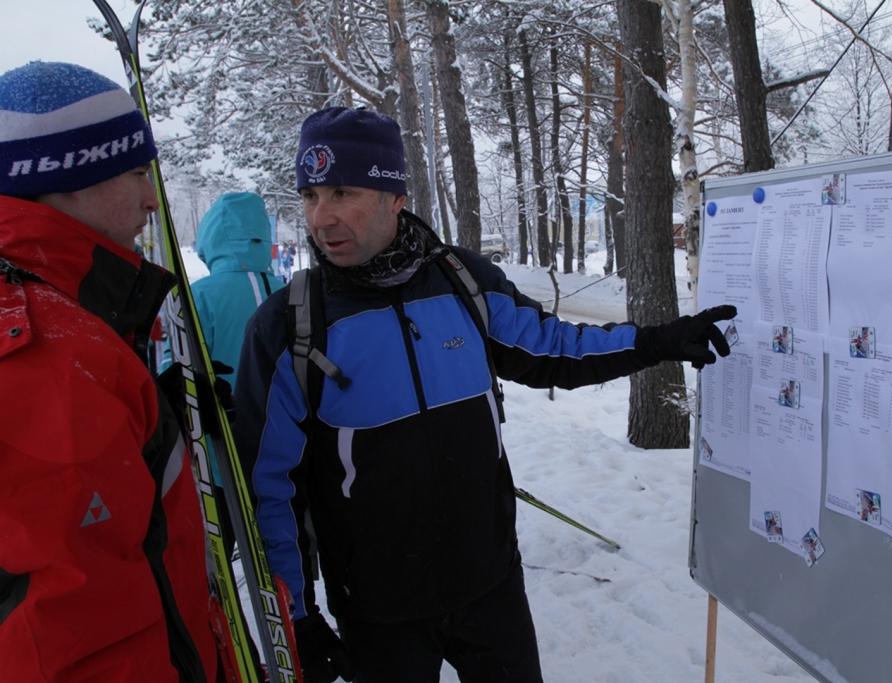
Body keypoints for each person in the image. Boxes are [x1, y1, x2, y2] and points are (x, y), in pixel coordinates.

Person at [233, 106, 736, 683]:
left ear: (395, 197)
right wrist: (295, 617)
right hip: (376, 608)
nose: (321, 217)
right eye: (310, 195)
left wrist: (657, 342)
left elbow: (553, 349)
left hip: (489, 583)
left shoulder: (463, 282)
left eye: (343, 191)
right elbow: (268, 489)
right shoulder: (290, 325)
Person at [0, 62, 219, 680]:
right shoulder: (52, 356)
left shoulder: (71, 318)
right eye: (134, 172)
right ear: (67, 180)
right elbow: (84, 634)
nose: (153, 197)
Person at [191, 191, 285, 390]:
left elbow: (178, 367)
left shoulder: (200, 295)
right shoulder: (290, 292)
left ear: (210, 238)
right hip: (287, 416)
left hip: (222, 415)